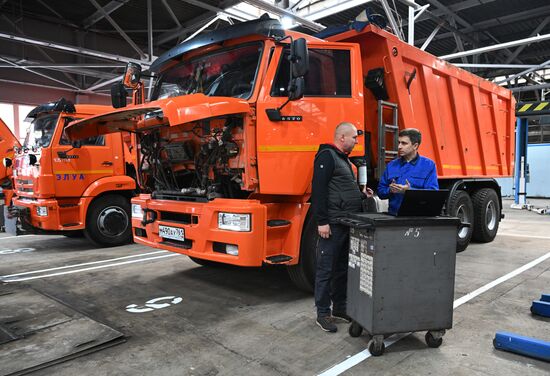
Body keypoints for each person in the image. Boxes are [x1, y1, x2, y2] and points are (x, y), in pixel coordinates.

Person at [311, 122, 373, 333]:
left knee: (340, 269)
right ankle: (322, 313)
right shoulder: (327, 156)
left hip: (345, 222)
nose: (357, 142)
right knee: (325, 269)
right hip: (333, 223)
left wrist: (361, 194)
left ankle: (339, 308)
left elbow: (341, 189)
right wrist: (322, 221)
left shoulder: (343, 160)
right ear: (342, 137)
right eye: (354, 137)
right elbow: (318, 190)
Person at [378, 128, 438, 215]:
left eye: (404, 143)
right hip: (394, 216)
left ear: (415, 146)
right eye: (399, 142)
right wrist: (390, 190)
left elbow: (433, 195)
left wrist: (409, 191)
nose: (399, 147)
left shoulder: (428, 165)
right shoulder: (391, 165)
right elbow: (380, 192)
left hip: (418, 217)